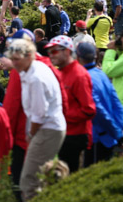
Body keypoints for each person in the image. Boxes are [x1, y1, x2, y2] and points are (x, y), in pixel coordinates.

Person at [6, 39, 66, 201]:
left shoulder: (35, 77)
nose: (14, 63)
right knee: (37, 177)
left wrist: (30, 134)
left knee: (28, 181)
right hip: (48, 128)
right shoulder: (33, 69)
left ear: (29, 56)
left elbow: (39, 113)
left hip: (47, 129)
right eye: (12, 59)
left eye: (17, 59)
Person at [45, 35, 96, 173]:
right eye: (49, 52)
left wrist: (62, 115)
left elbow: (89, 110)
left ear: (67, 51)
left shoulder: (79, 75)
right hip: (63, 133)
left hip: (75, 136)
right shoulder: (59, 72)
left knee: (69, 175)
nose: (51, 55)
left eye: (54, 51)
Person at [74, 42, 123, 166]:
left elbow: (98, 110)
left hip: (97, 137)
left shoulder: (85, 77)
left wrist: (117, 133)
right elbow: (117, 104)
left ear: (77, 58)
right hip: (109, 136)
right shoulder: (102, 74)